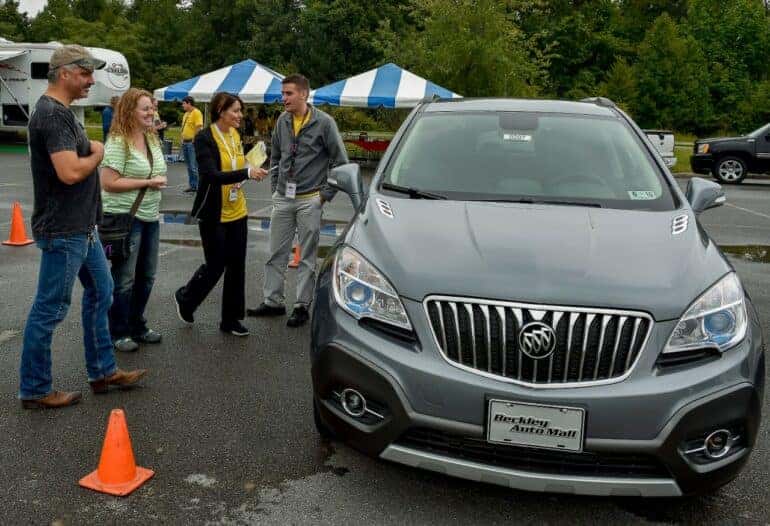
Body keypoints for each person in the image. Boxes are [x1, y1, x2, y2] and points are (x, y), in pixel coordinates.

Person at [19, 44, 147, 409]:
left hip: (82, 228)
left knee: (101, 293)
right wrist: (97, 154)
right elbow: (70, 171)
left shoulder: (63, 113)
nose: (92, 80)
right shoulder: (51, 114)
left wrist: (88, 146)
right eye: (86, 73)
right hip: (63, 230)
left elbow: (77, 151)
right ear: (65, 74)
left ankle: (103, 371)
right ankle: (35, 388)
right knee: (50, 308)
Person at [248, 74, 348, 327]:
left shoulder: (324, 123)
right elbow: (277, 157)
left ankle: (301, 305)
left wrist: (323, 197)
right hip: (283, 198)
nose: (283, 99)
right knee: (275, 253)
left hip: (309, 200)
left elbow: (341, 163)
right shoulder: (282, 121)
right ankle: (273, 301)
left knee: (306, 256)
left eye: (288, 94)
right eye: (283, 94)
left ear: (304, 94)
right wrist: (275, 189)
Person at [174, 92, 268, 336]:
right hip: (214, 212)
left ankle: (231, 320)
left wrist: (251, 167)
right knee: (216, 265)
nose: (240, 116)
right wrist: (246, 174)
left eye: (240, 111)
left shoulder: (235, 135)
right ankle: (186, 297)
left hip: (238, 210)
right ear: (220, 111)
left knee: (237, 266)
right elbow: (211, 176)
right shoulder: (204, 138)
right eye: (235, 111)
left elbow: (237, 166)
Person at [100, 88, 168, 352]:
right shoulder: (118, 142)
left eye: (152, 108)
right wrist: (148, 181)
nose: (151, 113)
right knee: (124, 278)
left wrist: (152, 182)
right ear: (130, 112)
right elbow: (108, 182)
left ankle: (137, 325)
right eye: (145, 109)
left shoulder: (152, 139)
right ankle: (119, 332)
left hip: (151, 215)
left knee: (147, 275)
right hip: (126, 217)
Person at [180, 95, 203, 192]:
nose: (182, 105)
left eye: (184, 103)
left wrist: (195, 140)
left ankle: (199, 186)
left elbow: (199, 127)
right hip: (185, 142)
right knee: (189, 166)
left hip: (192, 143)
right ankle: (193, 186)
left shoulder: (196, 113)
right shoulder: (186, 114)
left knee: (194, 166)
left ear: (189, 103)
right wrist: (182, 137)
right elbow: (184, 127)